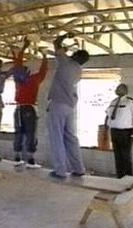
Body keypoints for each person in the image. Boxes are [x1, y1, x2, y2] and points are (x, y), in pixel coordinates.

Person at [47, 32, 89, 179]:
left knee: (57, 138)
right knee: (71, 138)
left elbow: (56, 42)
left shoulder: (66, 63)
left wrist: (65, 35)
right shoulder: (79, 70)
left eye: (74, 53)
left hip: (58, 105)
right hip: (70, 107)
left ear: (76, 57)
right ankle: (79, 169)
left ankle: (60, 171)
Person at [11, 38, 48, 168]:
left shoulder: (18, 81)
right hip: (29, 110)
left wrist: (23, 48)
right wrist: (44, 56)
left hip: (18, 109)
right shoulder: (33, 80)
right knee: (31, 133)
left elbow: (17, 63)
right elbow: (44, 70)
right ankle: (31, 160)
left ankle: (17, 157)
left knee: (18, 132)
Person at [105, 83, 133, 178]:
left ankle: (129, 178)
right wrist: (106, 128)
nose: (116, 89)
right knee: (117, 155)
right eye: (116, 88)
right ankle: (120, 177)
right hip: (114, 131)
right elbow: (108, 115)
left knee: (126, 156)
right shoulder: (113, 102)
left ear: (125, 90)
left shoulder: (131, 102)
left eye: (119, 88)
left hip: (125, 132)